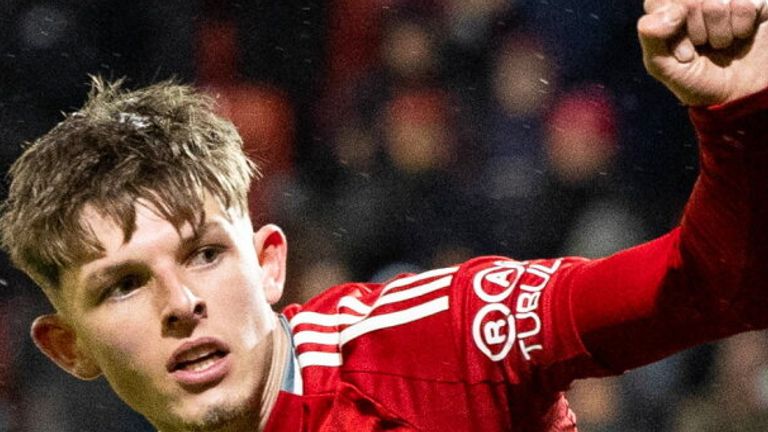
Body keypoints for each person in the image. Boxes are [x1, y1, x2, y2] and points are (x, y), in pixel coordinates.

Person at [1, 1, 767, 430]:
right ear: (69, 345)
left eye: (204, 253)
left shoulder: (446, 337)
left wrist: (741, 112)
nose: (182, 304)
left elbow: (716, 287)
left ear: (269, 262)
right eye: (124, 284)